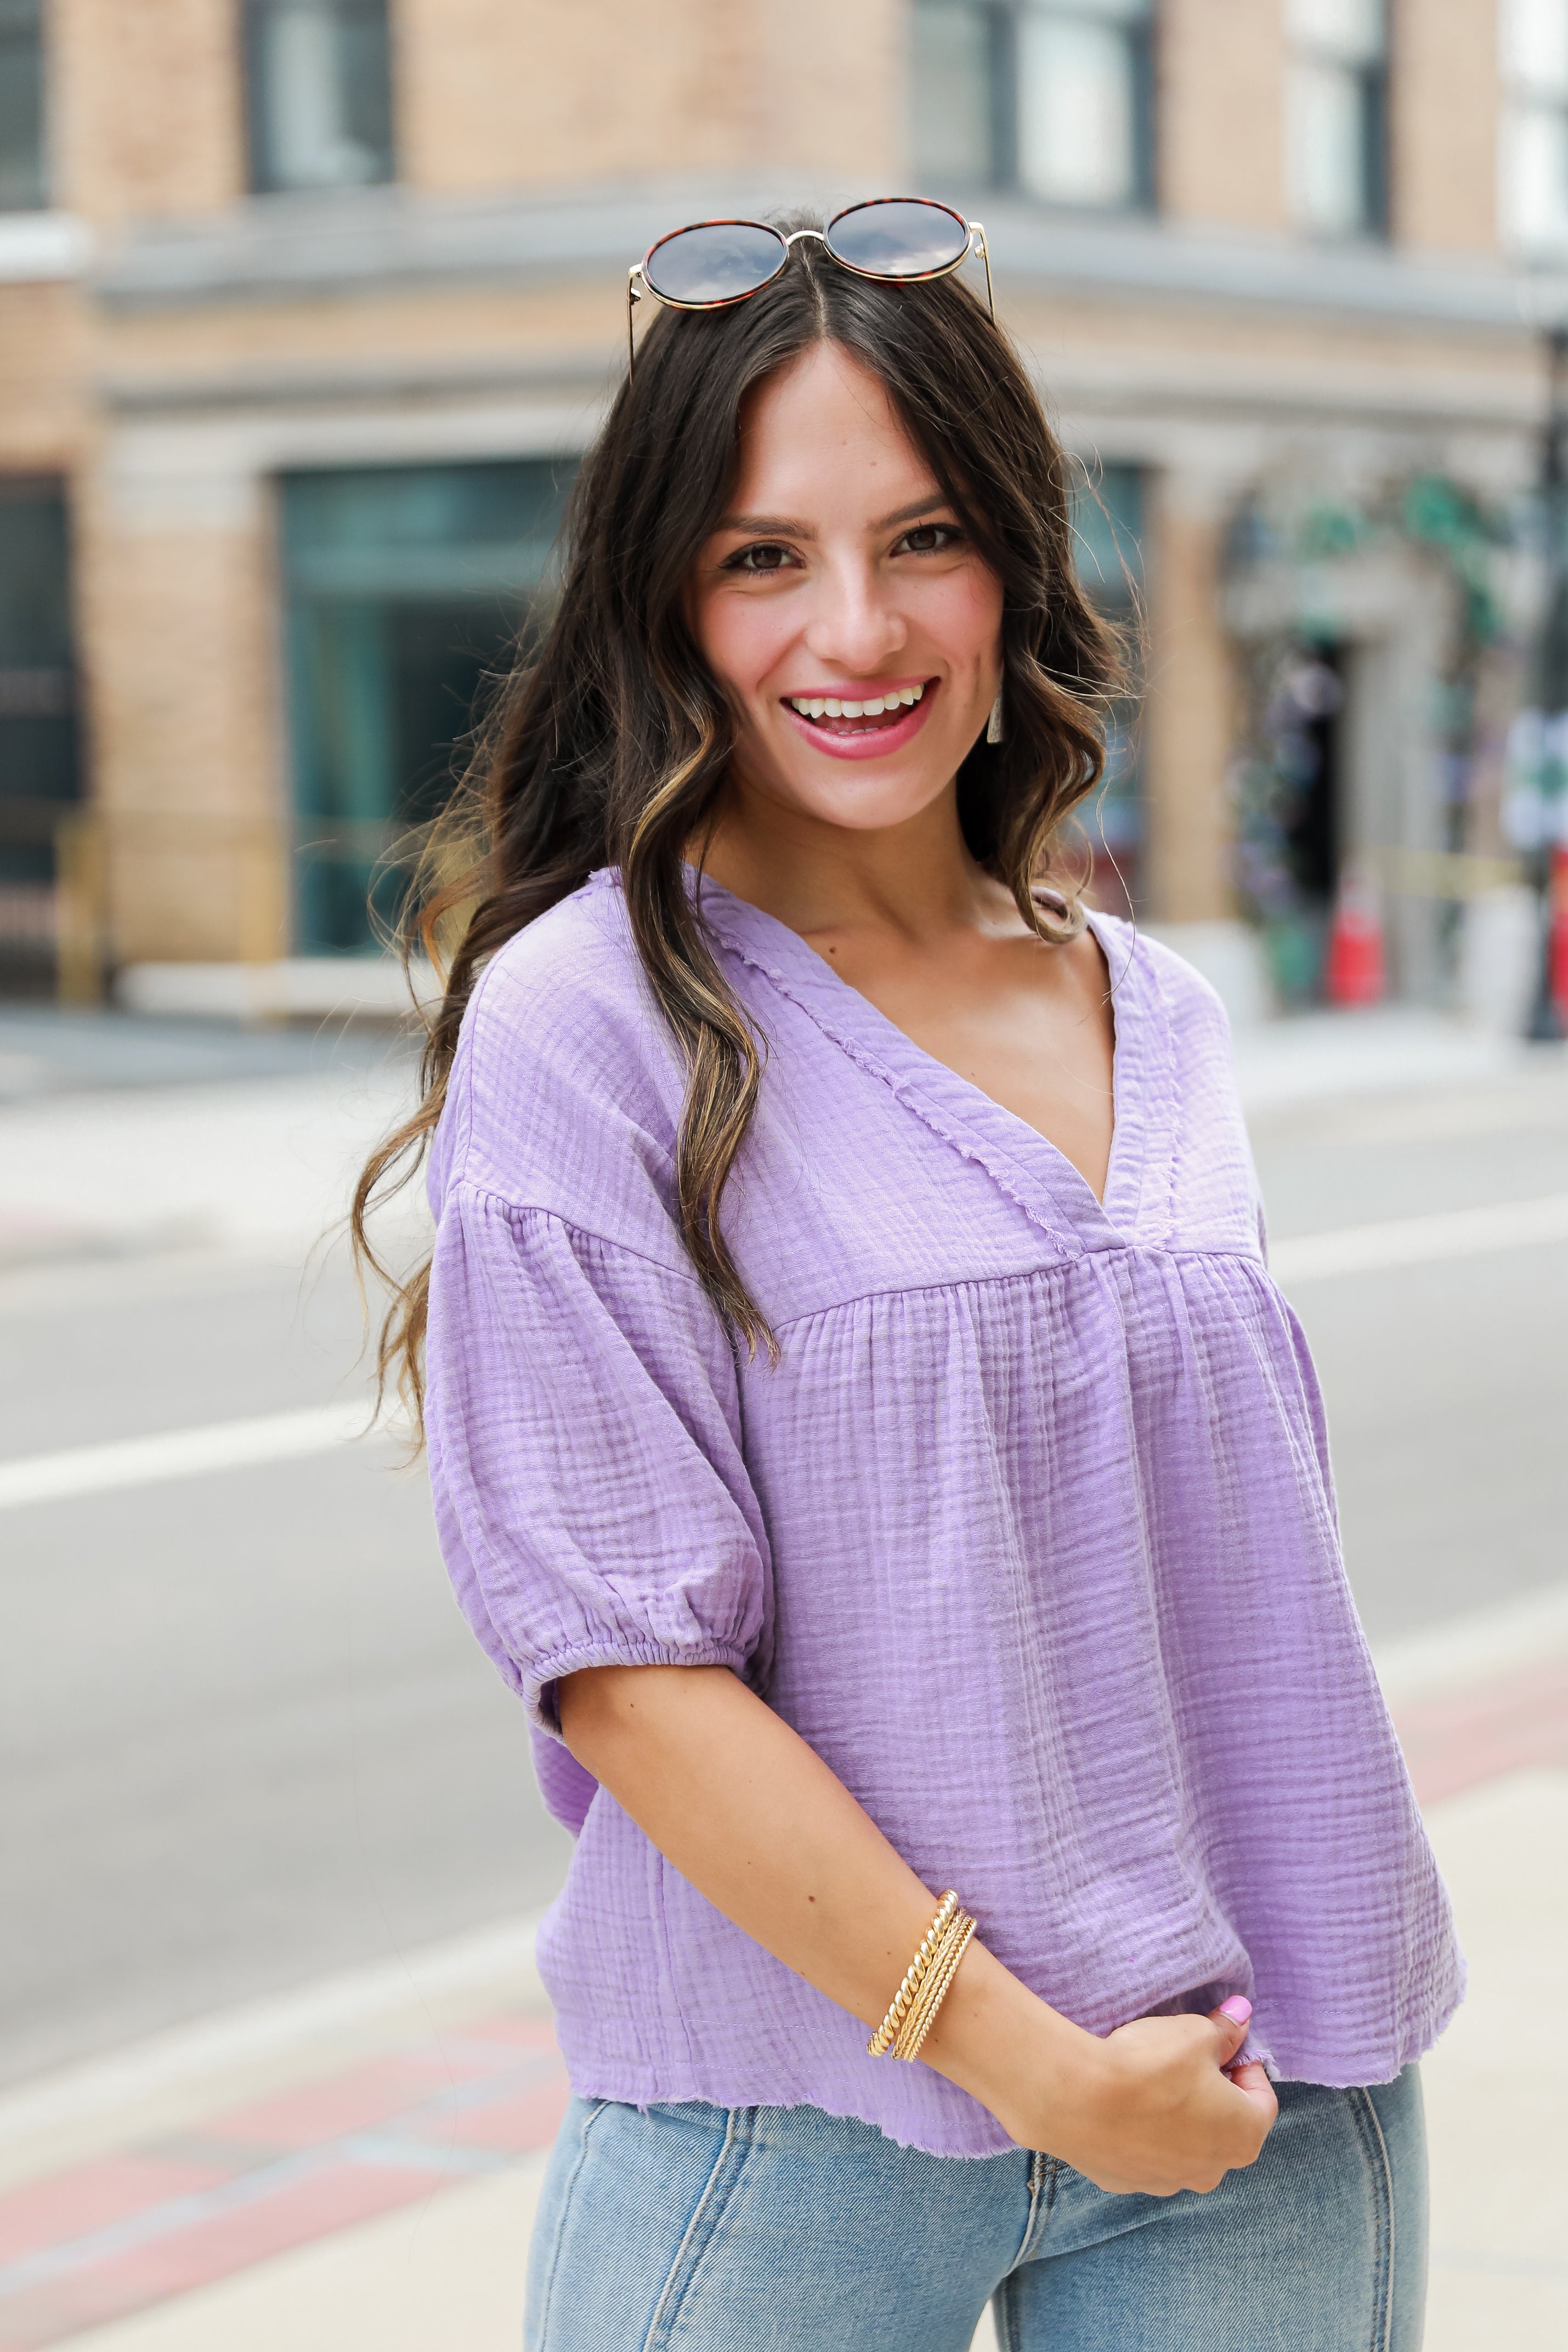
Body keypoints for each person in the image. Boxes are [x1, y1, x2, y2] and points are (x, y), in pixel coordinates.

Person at [355, 207, 1461, 2351]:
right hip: (790, 2125)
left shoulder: (1158, 1007)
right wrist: (1028, 2066)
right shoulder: (590, 1025)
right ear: (665, 597)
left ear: (1012, 561)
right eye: (762, 555)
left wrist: (1143, 2082)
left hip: (1258, 2088)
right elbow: (625, 1665)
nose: (852, 627)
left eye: (922, 537)